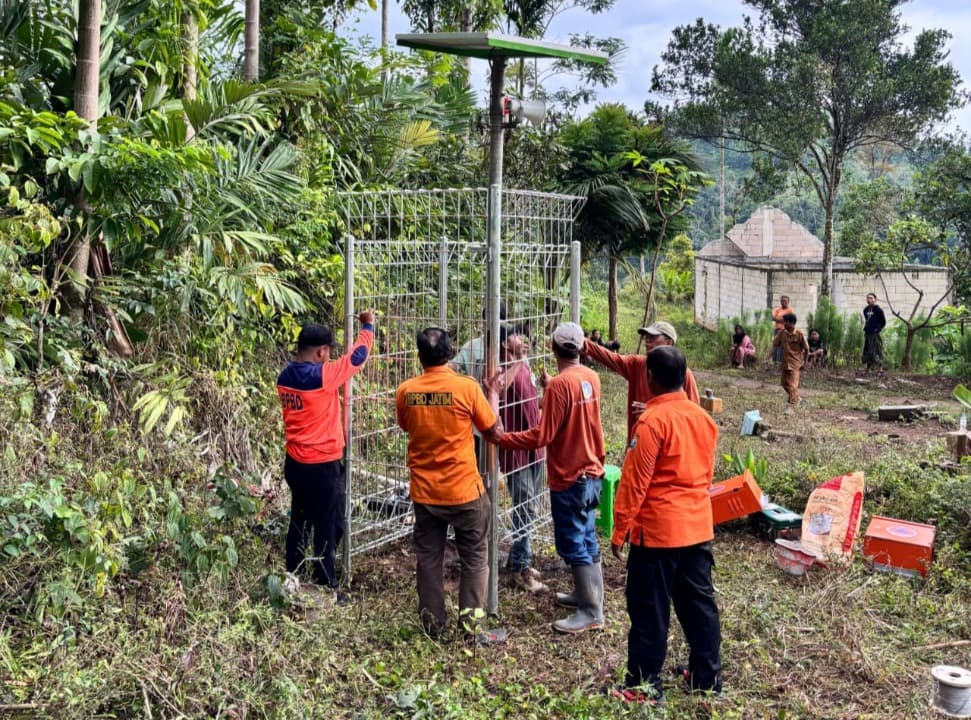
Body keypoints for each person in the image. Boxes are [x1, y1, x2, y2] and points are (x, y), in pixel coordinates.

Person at [609, 346, 721, 705]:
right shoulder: (704, 420)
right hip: (697, 528)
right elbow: (706, 475)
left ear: (650, 379)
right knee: (699, 606)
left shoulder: (652, 422)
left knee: (649, 610)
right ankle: (707, 678)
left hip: (657, 534)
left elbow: (634, 482)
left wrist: (619, 529)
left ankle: (643, 686)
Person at [490, 322, 606, 634]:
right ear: (581, 348)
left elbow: (542, 434)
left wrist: (504, 438)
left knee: (572, 542)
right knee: (587, 535)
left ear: (553, 348)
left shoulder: (558, 385)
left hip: (570, 475)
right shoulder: (590, 378)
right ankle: (587, 596)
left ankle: (591, 611)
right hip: (592, 470)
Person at [395, 327, 506, 644]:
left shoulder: (406, 391)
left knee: (429, 558)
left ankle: (432, 625)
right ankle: (472, 630)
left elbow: (406, 425)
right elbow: (492, 429)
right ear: (450, 353)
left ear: (420, 356)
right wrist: (493, 394)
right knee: (474, 557)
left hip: (425, 493)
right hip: (464, 492)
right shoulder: (466, 388)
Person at [276, 311, 375, 595]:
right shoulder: (322, 377)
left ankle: (292, 572)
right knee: (327, 524)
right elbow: (357, 357)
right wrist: (367, 326)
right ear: (321, 352)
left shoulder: (285, 377)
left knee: (299, 519)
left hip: (295, 463)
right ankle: (325, 583)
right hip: (321, 465)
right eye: (328, 352)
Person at [493, 326, 547, 593]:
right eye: (515, 337)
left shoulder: (524, 366)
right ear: (504, 344)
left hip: (535, 447)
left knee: (531, 507)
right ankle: (520, 568)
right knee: (524, 508)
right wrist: (517, 362)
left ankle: (517, 556)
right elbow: (499, 391)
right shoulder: (499, 368)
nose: (521, 340)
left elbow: (530, 401)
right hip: (515, 451)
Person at [583, 321, 700, 443]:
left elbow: (693, 418)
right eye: (646, 337)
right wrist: (585, 344)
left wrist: (655, 414)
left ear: (669, 342)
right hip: (637, 443)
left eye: (653, 337)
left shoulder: (684, 375)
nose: (647, 341)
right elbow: (610, 358)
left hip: (668, 447)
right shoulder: (637, 364)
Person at [767, 312, 809, 406]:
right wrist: (768, 358)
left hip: (795, 364)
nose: (784, 324)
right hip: (785, 363)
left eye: (785, 322)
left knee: (793, 385)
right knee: (784, 383)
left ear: (792, 323)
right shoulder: (782, 333)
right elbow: (774, 345)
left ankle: (792, 405)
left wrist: (805, 363)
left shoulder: (799, 334)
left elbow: (806, 349)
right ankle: (798, 399)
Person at [862, 293, 887, 375]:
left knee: (876, 350)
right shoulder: (865, 310)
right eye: (868, 298)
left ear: (875, 299)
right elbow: (867, 320)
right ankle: (867, 369)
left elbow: (883, 322)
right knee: (868, 351)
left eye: (871, 298)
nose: (869, 299)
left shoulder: (878, 310)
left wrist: (878, 329)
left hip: (875, 334)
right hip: (868, 333)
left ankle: (880, 369)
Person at [771, 296, 794, 363]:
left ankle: (779, 361)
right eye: (782, 301)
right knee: (775, 344)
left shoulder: (790, 310)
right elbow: (773, 318)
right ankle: (774, 361)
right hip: (777, 329)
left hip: (785, 330)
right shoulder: (778, 310)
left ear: (788, 302)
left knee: (782, 346)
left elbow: (787, 320)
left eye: (785, 301)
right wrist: (781, 319)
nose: (783, 302)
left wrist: (779, 319)